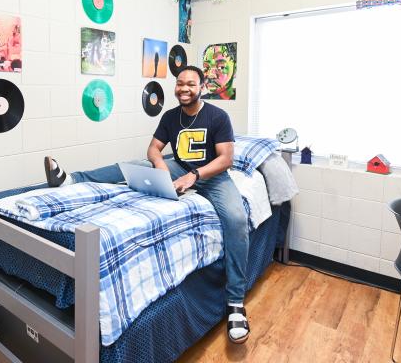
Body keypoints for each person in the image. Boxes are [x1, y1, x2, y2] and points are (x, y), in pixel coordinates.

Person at [43, 65, 251, 344]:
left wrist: (195, 175)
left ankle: (235, 302)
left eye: (190, 84)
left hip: (212, 177)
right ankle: (69, 180)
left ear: (202, 88)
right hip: (179, 167)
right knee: (132, 166)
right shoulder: (170, 116)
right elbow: (153, 148)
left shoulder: (217, 116)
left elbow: (226, 158)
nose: (184, 88)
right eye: (180, 83)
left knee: (237, 219)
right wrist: (161, 165)